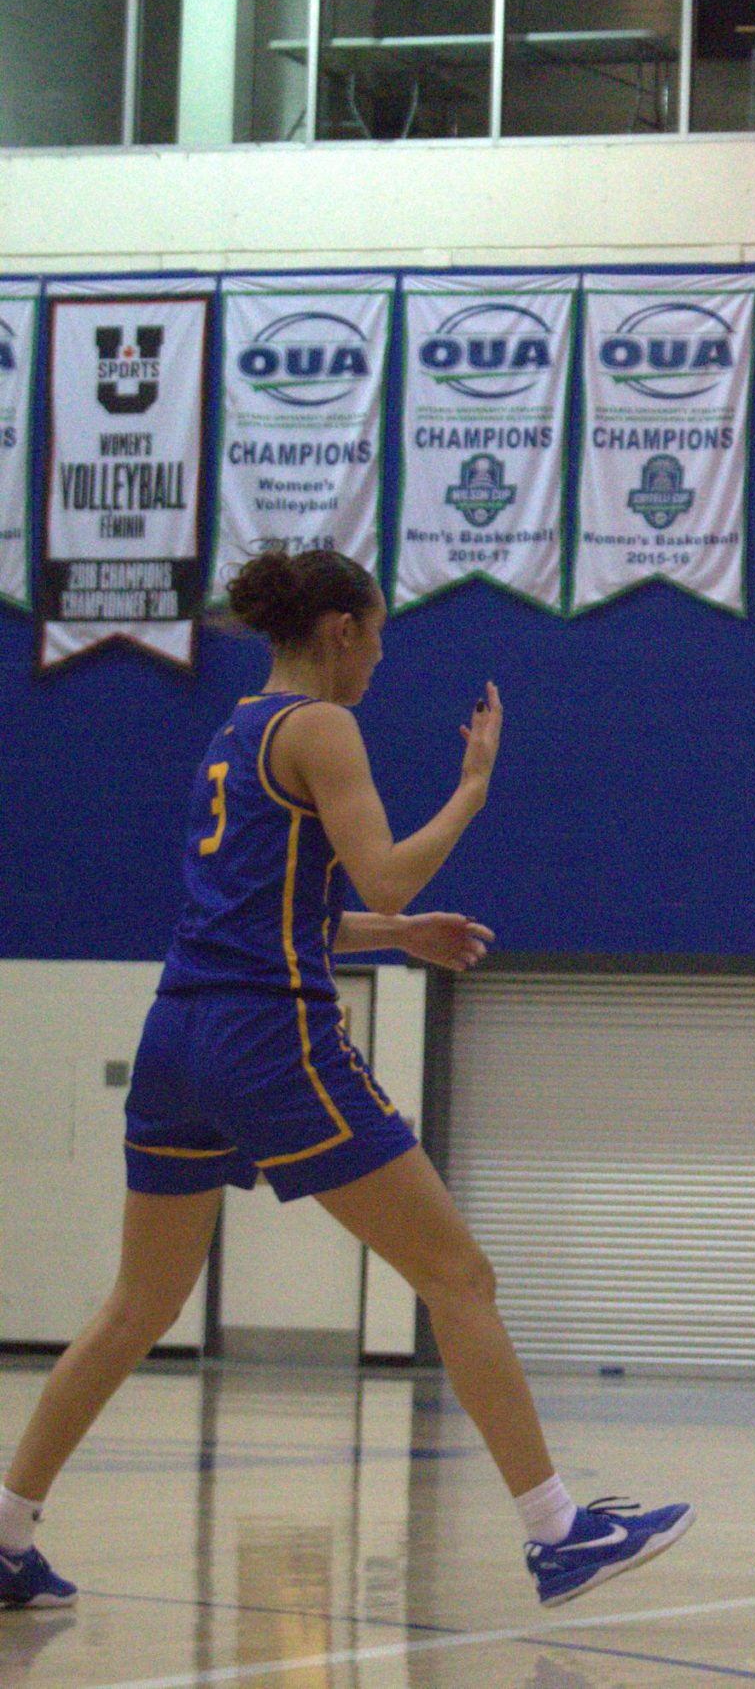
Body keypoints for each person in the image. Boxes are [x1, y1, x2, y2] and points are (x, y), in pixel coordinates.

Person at [0, 549, 690, 1614]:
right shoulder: (323, 725)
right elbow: (384, 868)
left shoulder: (233, 732)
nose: (377, 658)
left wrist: (395, 935)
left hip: (177, 1029)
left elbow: (289, 905)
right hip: (268, 1035)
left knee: (137, 1304)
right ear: (338, 630)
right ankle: (559, 1531)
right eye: (376, 636)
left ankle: (4, 1531)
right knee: (459, 1276)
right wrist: (468, 794)